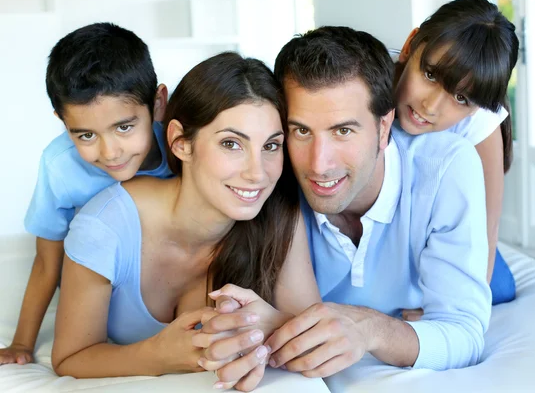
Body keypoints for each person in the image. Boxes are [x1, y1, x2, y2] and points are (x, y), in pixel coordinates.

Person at [50, 52, 321, 392]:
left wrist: (262, 333)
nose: (258, 173)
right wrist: (158, 355)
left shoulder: (279, 213)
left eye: (271, 145)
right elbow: (69, 357)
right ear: (181, 142)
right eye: (231, 143)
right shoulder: (104, 226)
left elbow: (310, 336)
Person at [245, 25, 489, 375]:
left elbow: (465, 332)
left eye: (343, 131)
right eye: (301, 131)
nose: (319, 164)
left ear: (384, 127)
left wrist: (373, 329)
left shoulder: (449, 166)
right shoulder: (271, 173)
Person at [0, 22, 172, 366]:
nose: (110, 153)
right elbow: (48, 261)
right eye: (85, 136)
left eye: (124, 127)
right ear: (63, 123)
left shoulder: (181, 145)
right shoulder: (59, 166)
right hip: (101, 296)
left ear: (157, 104)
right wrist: (21, 343)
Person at [392, 0, 519, 309]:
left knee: (499, 286)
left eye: (461, 98)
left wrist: (457, 310)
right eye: (430, 75)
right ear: (410, 44)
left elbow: (487, 225)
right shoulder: (367, 81)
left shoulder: (481, 122)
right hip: (392, 226)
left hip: (445, 225)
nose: (431, 107)